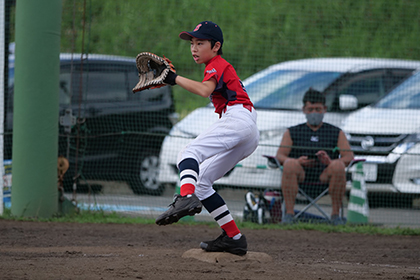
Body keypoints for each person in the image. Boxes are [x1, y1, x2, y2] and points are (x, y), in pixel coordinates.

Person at [155, 21, 259, 256]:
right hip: (247, 128)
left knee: (188, 153)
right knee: (202, 183)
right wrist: (173, 78)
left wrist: (172, 78)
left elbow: (204, 90)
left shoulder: (217, 63)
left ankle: (184, 197)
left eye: (200, 43)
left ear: (216, 46)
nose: (194, 48)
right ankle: (234, 238)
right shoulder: (215, 64)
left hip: (238, 118)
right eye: (192, 43)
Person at [275, 88, 354, 225]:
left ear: (325, 109)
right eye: (310, 109)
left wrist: (330, 161)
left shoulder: (336, 132)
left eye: (318, 109)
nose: (314, 113)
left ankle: (336, 216)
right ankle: (289, 215)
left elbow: (348, 156)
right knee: (289, 164)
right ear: (304, 109)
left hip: (325, 176)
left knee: (338, 165)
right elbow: (280, 156)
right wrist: (297, 161)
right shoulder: (292, 131)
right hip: (301, 176)